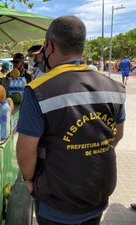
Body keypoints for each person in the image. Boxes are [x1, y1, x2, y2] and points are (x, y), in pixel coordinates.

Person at [16, 16, 126, 225]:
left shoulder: (38, 90)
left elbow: (25, 150)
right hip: (97, 194)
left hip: (56, 202)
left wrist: (29, 180)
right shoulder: (113, 87)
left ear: (50, 45)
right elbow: (117, 135)